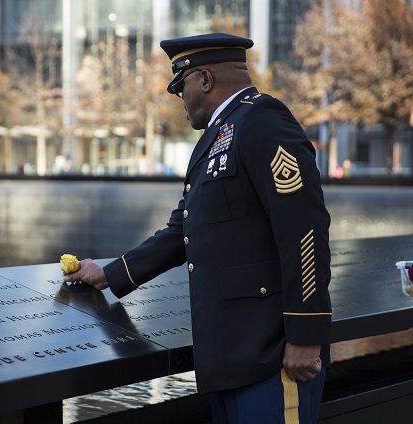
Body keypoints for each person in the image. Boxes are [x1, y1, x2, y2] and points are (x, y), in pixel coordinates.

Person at [63, 32, 332, 424]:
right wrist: (110, 273)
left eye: (181, 86)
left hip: (272, 356)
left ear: (204, 79)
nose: (180, 99)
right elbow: (183, 230)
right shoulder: (220, 135)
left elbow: (304, 229)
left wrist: (306, 335)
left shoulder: (263, 121)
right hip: (230, 357)